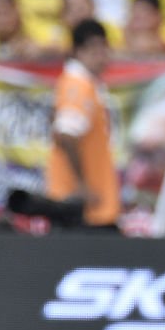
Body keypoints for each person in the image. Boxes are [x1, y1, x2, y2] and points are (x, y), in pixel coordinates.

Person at [45, 19, 121, 231]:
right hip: (80, 209)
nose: (102, 55)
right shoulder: (78, 85)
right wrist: (82, 185)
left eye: (104, 47)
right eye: (94, 48)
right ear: (78, 51)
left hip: (84, 207)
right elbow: (66, 135)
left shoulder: (81, 83)